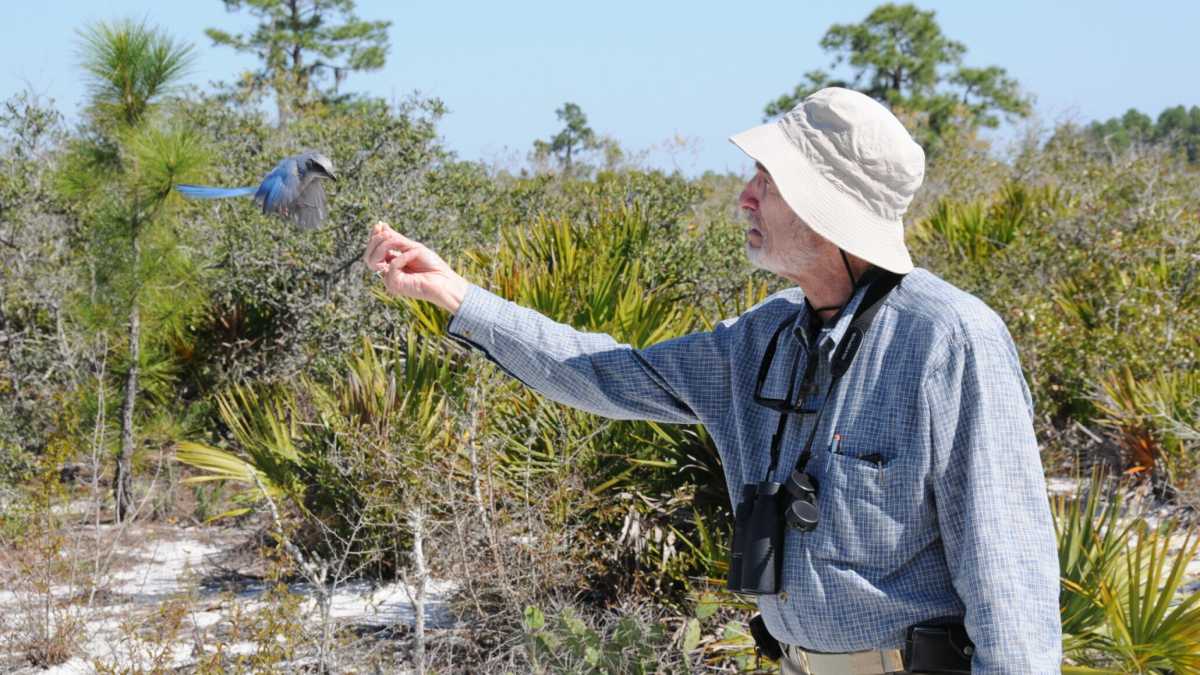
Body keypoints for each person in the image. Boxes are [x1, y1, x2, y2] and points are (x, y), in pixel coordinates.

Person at [362, 87, 1061, 675]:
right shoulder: (761, 337)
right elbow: (602, 373)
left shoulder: (950, 340)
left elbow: (1008, 574)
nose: (744, 197)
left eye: (768, 181)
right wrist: (457, 297)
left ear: (826, 206)